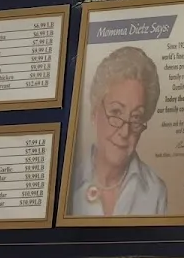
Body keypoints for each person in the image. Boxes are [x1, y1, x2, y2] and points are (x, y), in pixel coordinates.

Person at [70, 45, 167, 217]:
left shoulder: (155, 191)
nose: (125, 131)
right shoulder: (70, 180)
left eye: (136, 117)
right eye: (116, 112)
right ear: (94, 113)